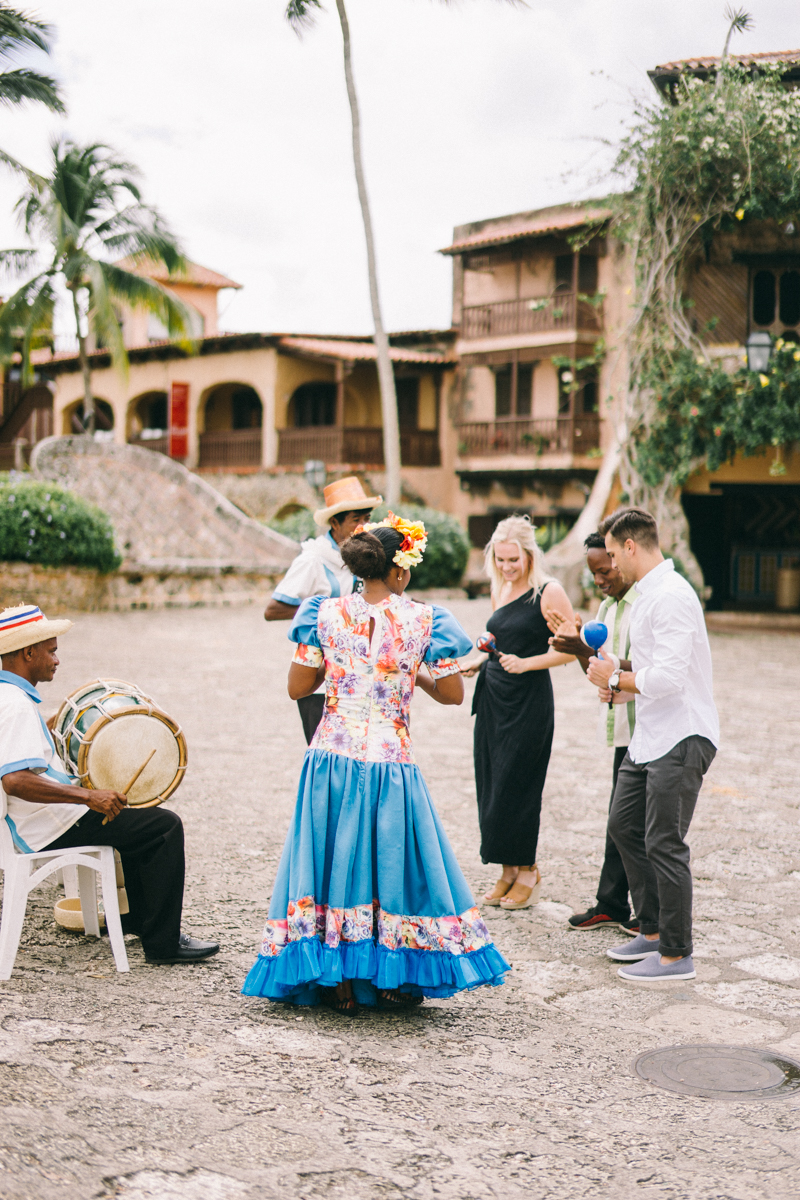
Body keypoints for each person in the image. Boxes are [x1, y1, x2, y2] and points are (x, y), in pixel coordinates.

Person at [243, 514, 509, 1012]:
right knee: (387, 863)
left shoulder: (323, 614)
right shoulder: (427, 620)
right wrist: (410, 672)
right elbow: (452, 694)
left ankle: (335, 979)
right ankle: (387, 976)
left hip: (331, 757)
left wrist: (343, 665)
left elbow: (298, 688)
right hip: (390, 759)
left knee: (334, 861)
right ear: (401, 572)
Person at [0, 605, 219, 965]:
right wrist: (88, 796)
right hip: (47, 826)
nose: (57, 659)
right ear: (28, 653)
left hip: (35, 821)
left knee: (133, 818)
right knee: (164, 827)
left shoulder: (10, 697)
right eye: (51, 651)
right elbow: (16, 781)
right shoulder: (16, 707)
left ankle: (137, 919)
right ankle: (163, 944)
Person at [586, 508, 719, 982]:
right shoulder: (646, 596)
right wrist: (616, 685)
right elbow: (647, 670)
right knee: (624, 826)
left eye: (612, 552)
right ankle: (654, 928)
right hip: (649, 735)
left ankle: (676, 954)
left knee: (664, 842)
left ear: (629, 546)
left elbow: (671, 675)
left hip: (682, 735)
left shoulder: (673, 595)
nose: (609, 565)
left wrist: (619, 676)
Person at [462, 515, 575, 911]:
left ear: (530, 554)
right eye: (501, 559)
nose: (508, 567)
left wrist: (527, 664)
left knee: (519, 784)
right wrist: (478, 659)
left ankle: (528, 870)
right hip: (494, 696)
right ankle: (507, 869)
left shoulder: (548, 591)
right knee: (492, 784)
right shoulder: (503, 587)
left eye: (514, 560)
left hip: (528, 702)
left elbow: (569, 648)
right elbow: (499, 639)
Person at [548, 529, 639, 934]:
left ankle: (649, 914)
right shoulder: (606, 609)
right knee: (618, 817)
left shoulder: (645, 605)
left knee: (637, 823)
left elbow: (643, 667)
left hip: (651, 729)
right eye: (594, 575)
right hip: (622, 727)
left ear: (622, 558)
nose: (601, 580)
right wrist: (577, 648)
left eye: (605, 571)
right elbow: (602, 668)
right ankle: (612, 903)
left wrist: (596, 660)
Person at [264, 476, 381, 744]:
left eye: (367, 517)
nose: (364, 526)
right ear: (335, 523)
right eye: (356, 519)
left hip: (362, 673)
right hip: (319, 677)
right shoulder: (312, 560)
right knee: (325, 751)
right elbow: (273, 609)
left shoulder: (369, 555)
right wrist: (330, 613)